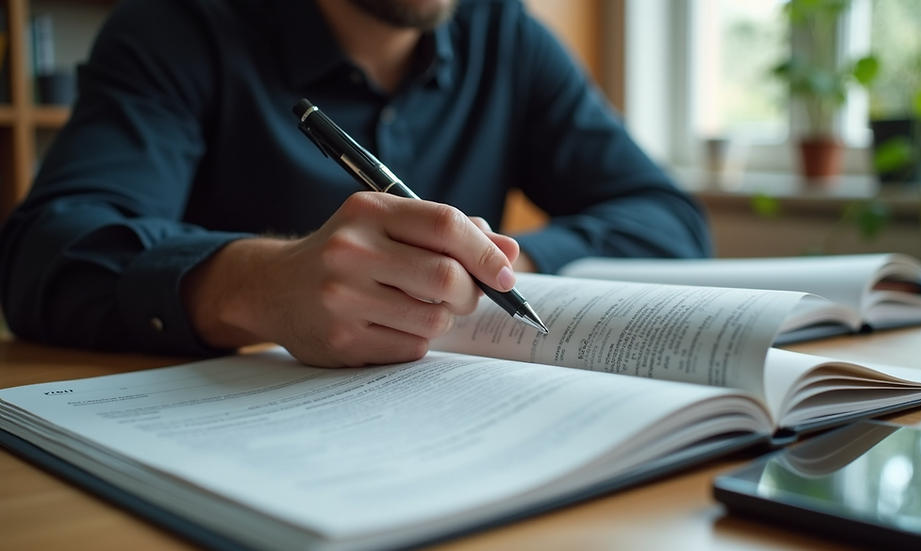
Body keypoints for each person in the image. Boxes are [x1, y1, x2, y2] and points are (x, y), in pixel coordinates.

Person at [0, 0, 711, 367]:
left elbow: (666, 218)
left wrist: (490, 262)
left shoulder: (507, 35)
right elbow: (46, 252)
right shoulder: (175, 29)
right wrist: (255, 285)